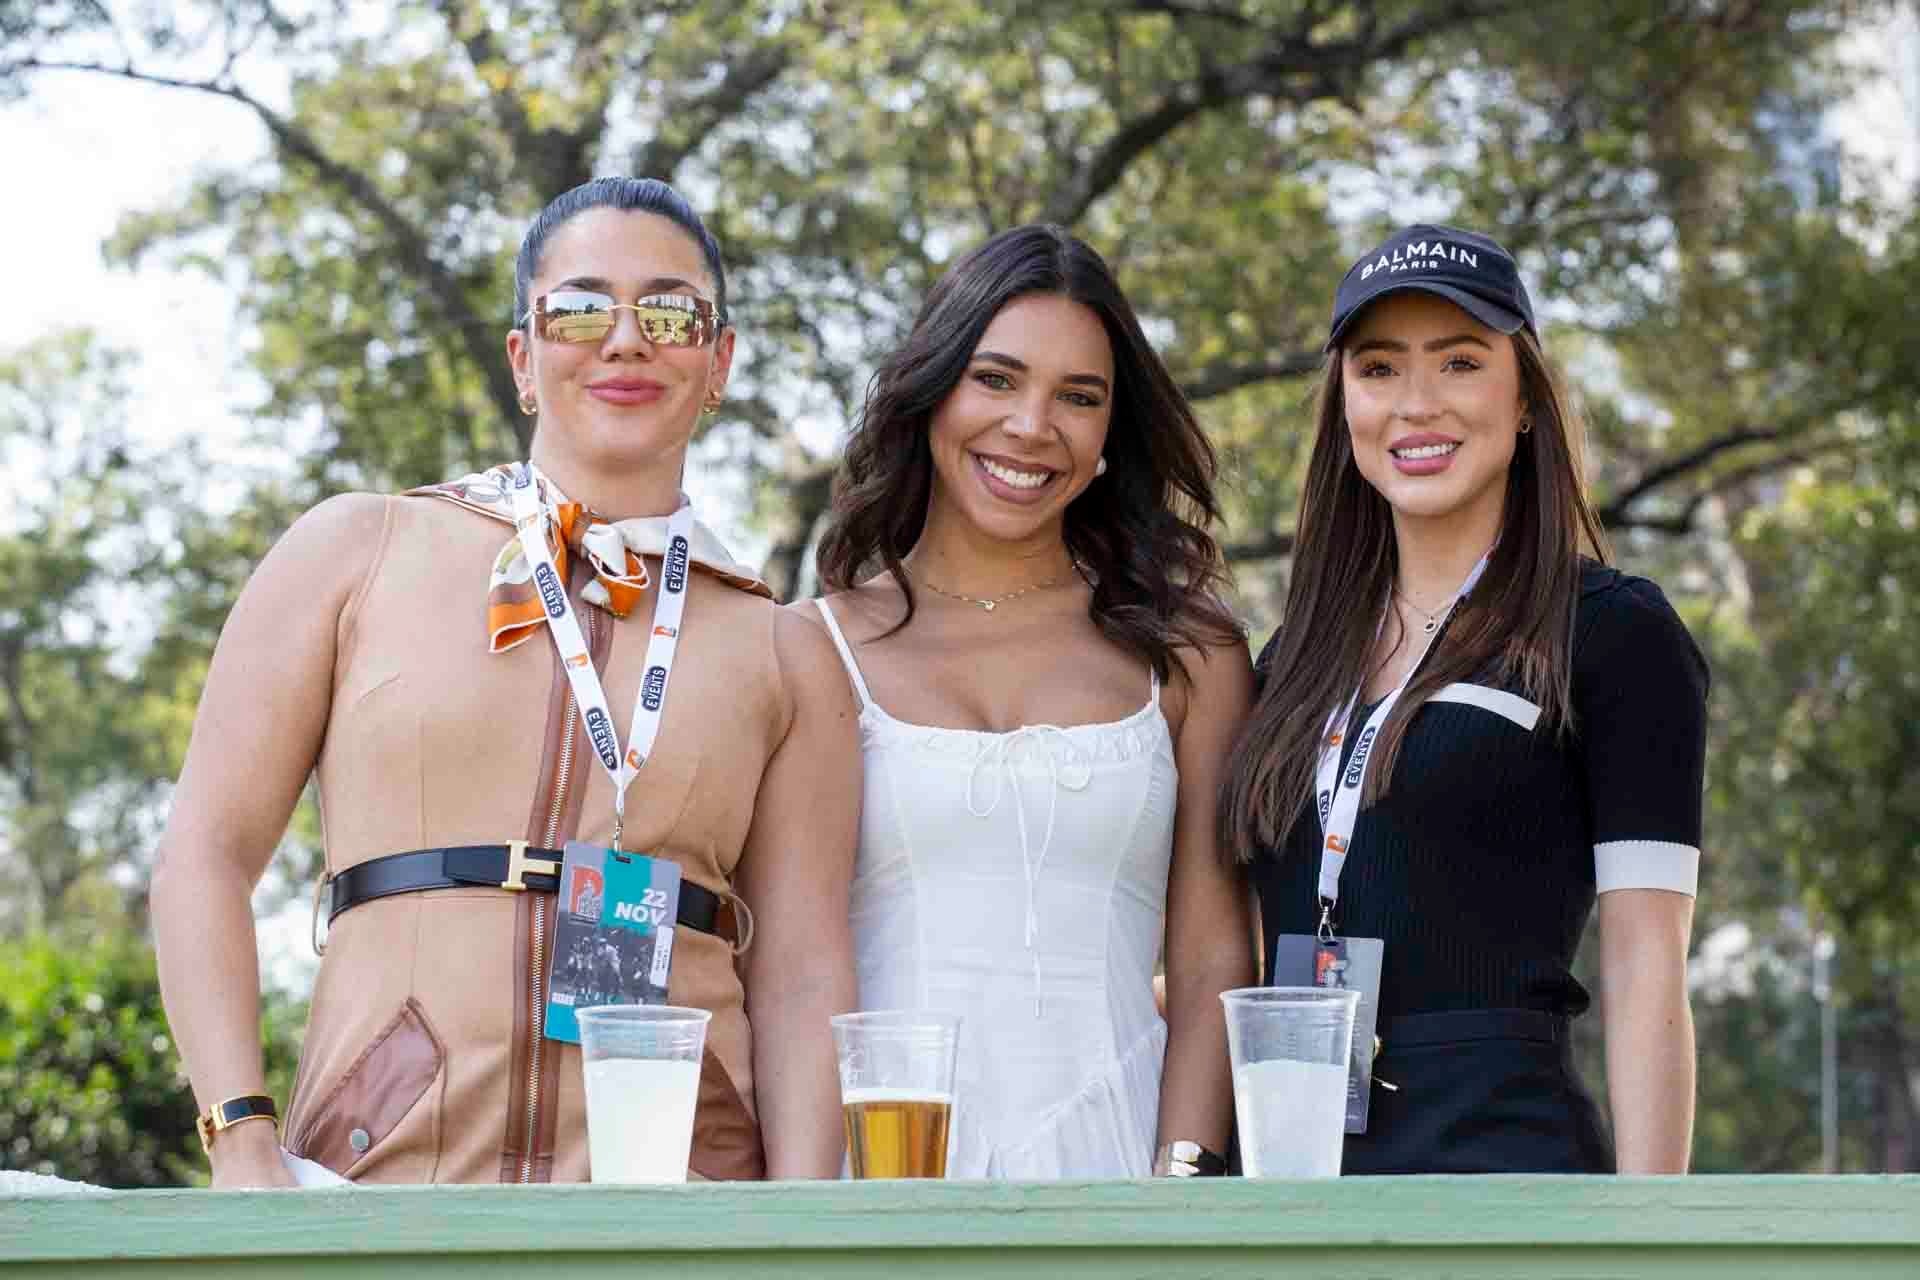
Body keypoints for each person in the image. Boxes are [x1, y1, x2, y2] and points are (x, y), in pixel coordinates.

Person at [151, 177, 860, 1187]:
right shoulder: (356, 548)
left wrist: (797, 1223)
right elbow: (203, 858)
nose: (625, 340)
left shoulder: (785, 646)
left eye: (669, 311)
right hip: (377, 1187)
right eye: (578, 308)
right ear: (524, 357)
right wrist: (241, 1134)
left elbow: (801, 968)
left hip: (680, 1208)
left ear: (719, 363)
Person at [1219, 224, 1706, 1174]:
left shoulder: (1614, 632)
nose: (1417, 405)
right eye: (1379, 369)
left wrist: (1654, 1244)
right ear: (1344, 405)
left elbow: (1648, 965)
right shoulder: (1288, 662)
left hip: (1498, 1167)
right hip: (1286, 1167)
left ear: (1524, 400)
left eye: (1459, 363)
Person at [809, 224, 1255, 1179]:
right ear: (932, 392)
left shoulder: (1191, 653)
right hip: (884, 1187)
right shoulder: (815, 647)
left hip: (1122, 1180)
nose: (1031, 426)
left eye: (1079, 398)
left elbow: (1217, 955)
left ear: (1109, 435)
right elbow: (799, 968)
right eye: (997, 379)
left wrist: (1179, 1188)